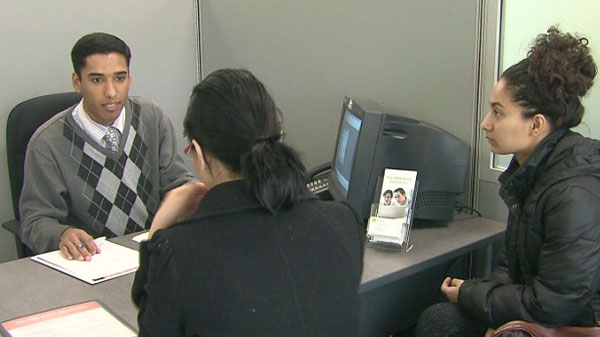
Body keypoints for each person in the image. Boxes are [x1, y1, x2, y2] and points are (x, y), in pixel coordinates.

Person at [131, 68, 366, 336]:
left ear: (196, 152)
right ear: (279, 135)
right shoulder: (343, 221)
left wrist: (158, 231)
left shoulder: (179, 252)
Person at [414, 26, 600, 337]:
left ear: (536, 124)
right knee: (440, 318)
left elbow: (553, 305)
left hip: (569, 325)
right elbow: (514, 268)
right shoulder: (534, 172)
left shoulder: (572, 193)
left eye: (498, 113)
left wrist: (470, 295)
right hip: (547, 314)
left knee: (441, 324)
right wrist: (473, 289)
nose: (486, 123)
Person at [19, 32, 192, 260]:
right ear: (77, 82)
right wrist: (62, 234)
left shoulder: (152, 118)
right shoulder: (48, 143)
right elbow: (35, 221)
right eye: (97, 80)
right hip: (93, 262)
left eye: (119, 78)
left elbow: (177, 185)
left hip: (153, 252)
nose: (111, 92)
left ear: (130, 79)